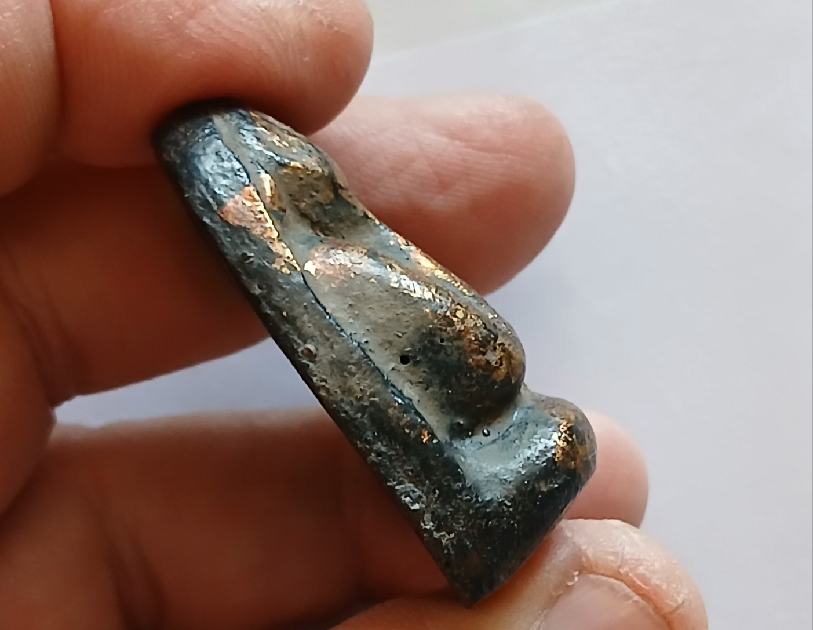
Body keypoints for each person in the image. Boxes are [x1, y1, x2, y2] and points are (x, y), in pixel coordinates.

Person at [0, 1, 707, 628]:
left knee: (556, 430)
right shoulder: (321, 260)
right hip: (470, 458)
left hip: (475, 447)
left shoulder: (328, 254)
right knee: (551, 429)